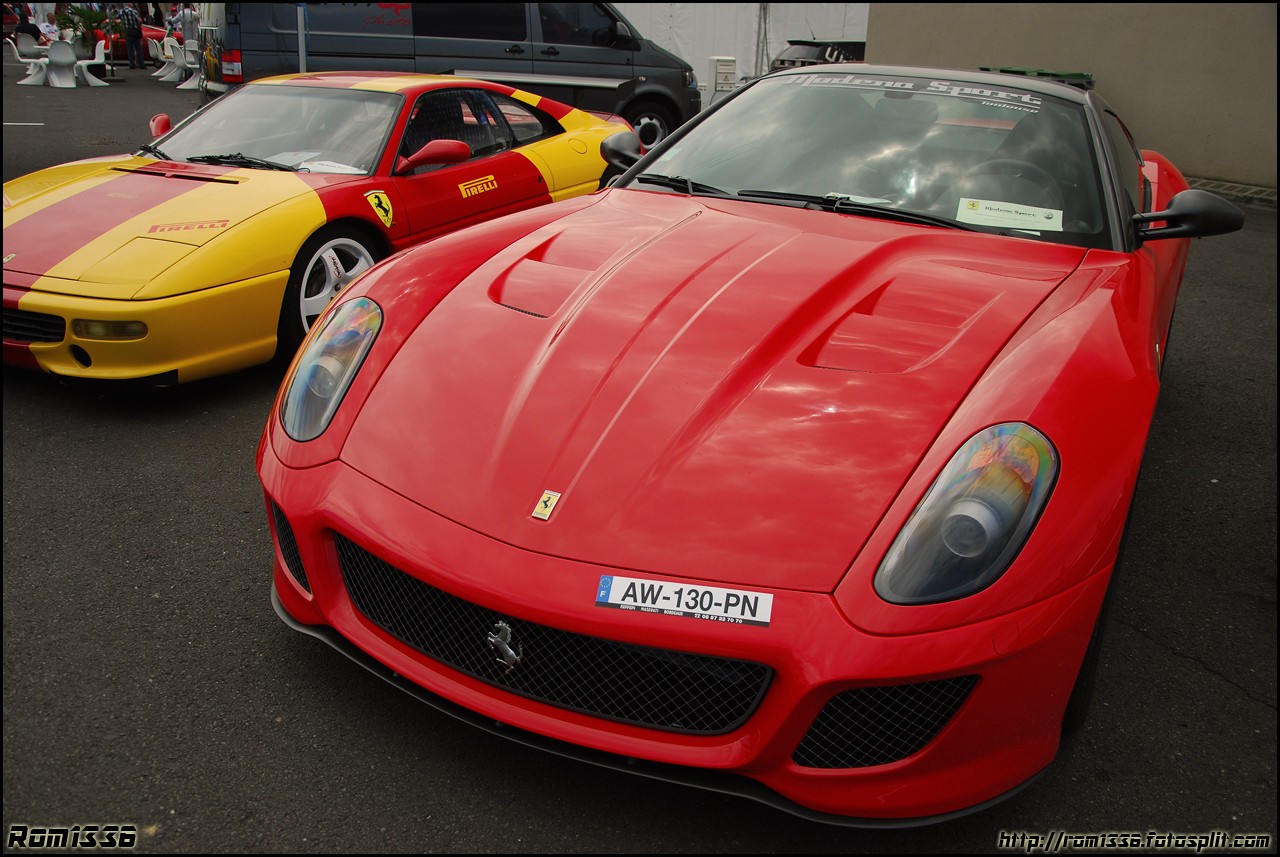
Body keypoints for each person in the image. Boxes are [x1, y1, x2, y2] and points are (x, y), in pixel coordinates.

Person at [119, 2, 145, 69]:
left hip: (127, 31)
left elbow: (117, 18)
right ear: (129, 4)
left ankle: (131, 64)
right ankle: (141, 64)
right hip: (135, 30)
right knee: (138, 48)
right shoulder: (134, 11)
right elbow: (139, 21)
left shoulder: (121, 12)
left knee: (129, 49)